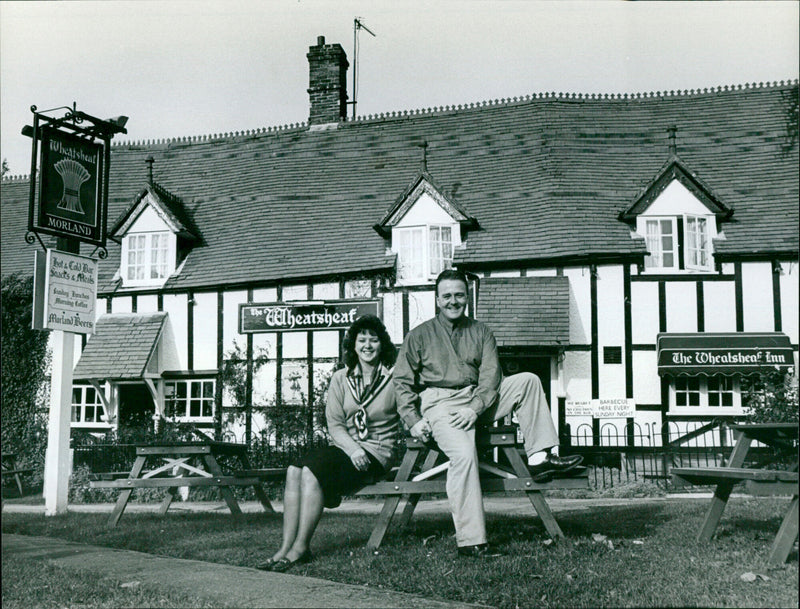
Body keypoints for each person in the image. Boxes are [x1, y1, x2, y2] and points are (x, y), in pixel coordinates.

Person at [393, 269, 583, 558]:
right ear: (437, 300)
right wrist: (413, 420)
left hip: (478, 399)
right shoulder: (418, 335)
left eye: (459, 295)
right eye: (447, 296)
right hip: (441, 403)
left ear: (467, 298)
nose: (453, 301)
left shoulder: (481, 331)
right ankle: (471, 541)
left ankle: (539, 458)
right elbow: (402, 382)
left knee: (528, 381)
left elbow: (491, 376)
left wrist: (475, 408)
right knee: (464, 455)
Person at [259, 314, 400, 572]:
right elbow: (335, 424)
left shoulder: (393, 378)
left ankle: (301, 548)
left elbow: (412, 408)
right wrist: (353, 449)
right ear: (353, 346)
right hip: (348, 448)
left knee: (311, 472)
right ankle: (284, 548)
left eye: (374, 340)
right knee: (294, 470)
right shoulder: (340, 378)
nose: (367, 345)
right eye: (362, 340)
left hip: (377, 452)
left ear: (383, 345)